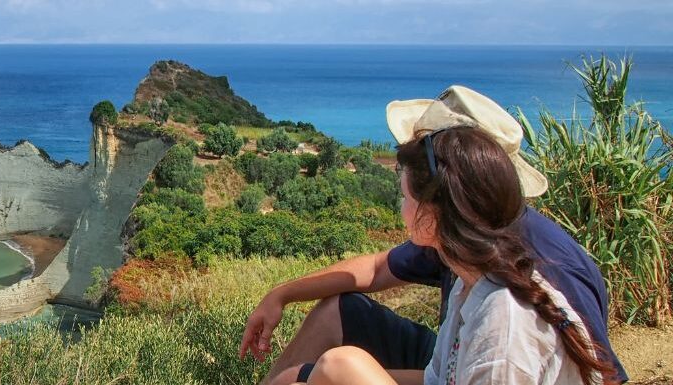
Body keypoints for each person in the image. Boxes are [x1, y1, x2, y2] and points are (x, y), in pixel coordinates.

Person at [238, 86, 627, 384]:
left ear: (438, 205)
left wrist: (334, 374)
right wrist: (284, 298)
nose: (400, 206)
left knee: (340, 368)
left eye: (406, 194)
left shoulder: (508, 313)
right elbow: (378, 271)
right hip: (468, 357)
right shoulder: (474, 260)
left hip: (499, 357)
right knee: (334, 352)